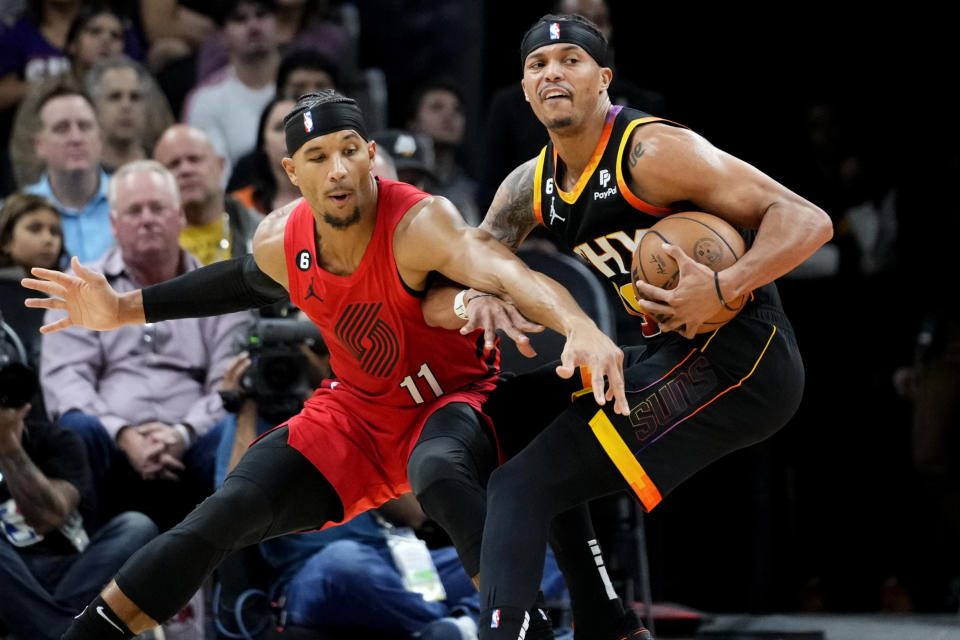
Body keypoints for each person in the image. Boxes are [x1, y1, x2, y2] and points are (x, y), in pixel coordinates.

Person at [23, 90, 628, 640]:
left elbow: (506, 273)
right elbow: (233, 284)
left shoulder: (421, 223)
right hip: (355, 415)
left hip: (450, 403)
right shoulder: (281, 239)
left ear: (370, 155)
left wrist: (578, 325)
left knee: (439, 471)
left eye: (347, 152)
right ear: (292, 172)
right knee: (221, 516)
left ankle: (521, 632)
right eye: (316, 157)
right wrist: (122, 308)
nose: (337, 170)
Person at [418, 14, 833, 640]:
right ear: (526, 91)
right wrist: (475, 296)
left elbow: (807, 219)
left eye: (570, 60)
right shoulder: (529, 186)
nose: (552, 72)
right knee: (526, 422)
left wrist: (725, 284)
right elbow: (470, 259)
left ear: (604, 78)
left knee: (519, 487)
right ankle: (607, 624)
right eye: (538, 65)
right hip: (671, 353)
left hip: (746, 356)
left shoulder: (651, 152)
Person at [38, 159, 252, 531]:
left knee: (240, 425)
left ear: (180, 216)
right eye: (134, 211)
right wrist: (122, 433)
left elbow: (229, 380)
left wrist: (183, 432)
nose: (147, 219)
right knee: (76, 427)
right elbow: (65, 379)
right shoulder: (80, 287)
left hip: (196, 443)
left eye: (158, 208)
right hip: (109, 444)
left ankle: (237, 582)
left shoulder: (221, 288)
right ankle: (77, 564)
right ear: (113, 224)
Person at [0, 328, 158, 640]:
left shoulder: (57, 441)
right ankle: (65, 633)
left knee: (136, 526)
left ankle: (46, 627)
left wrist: (7, 446)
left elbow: (48, 517)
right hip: (7, 579)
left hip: (72, 571)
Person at [181, 0, 279, 173]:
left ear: (277, 22)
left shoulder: (306, 85)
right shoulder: (205, 100)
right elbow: (216, 176)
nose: (254, 26)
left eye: (261, 15)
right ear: (221, 35)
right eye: (240, 19)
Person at [24, 85, 112, 263]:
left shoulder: (133, 204)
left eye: (84, 126)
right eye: (61, 128)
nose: (76, 138)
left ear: (100, 139)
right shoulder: (14, 214)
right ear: (39, 145)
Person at [153, 124, 261, 264]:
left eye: (194, 159)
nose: (185, 170)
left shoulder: (263, 232)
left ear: (221, 166)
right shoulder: (144, 249)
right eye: (174, 164)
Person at [0, 191, 64, 369]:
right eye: (35, 229)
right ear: (6, 240)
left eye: (55, 231)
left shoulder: (70, 291)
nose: (48, 239)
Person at [84, 55, 174, 174]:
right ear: (93, 107)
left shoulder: (163, 169)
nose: (126, 106)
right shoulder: (82, 174)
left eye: (135, 97)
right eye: (115, 97)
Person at [228, 96, 300, 214]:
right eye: (279, 128)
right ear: (264, 143)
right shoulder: (240, 205)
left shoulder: (333, 195)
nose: (289, 135)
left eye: (297, 126)